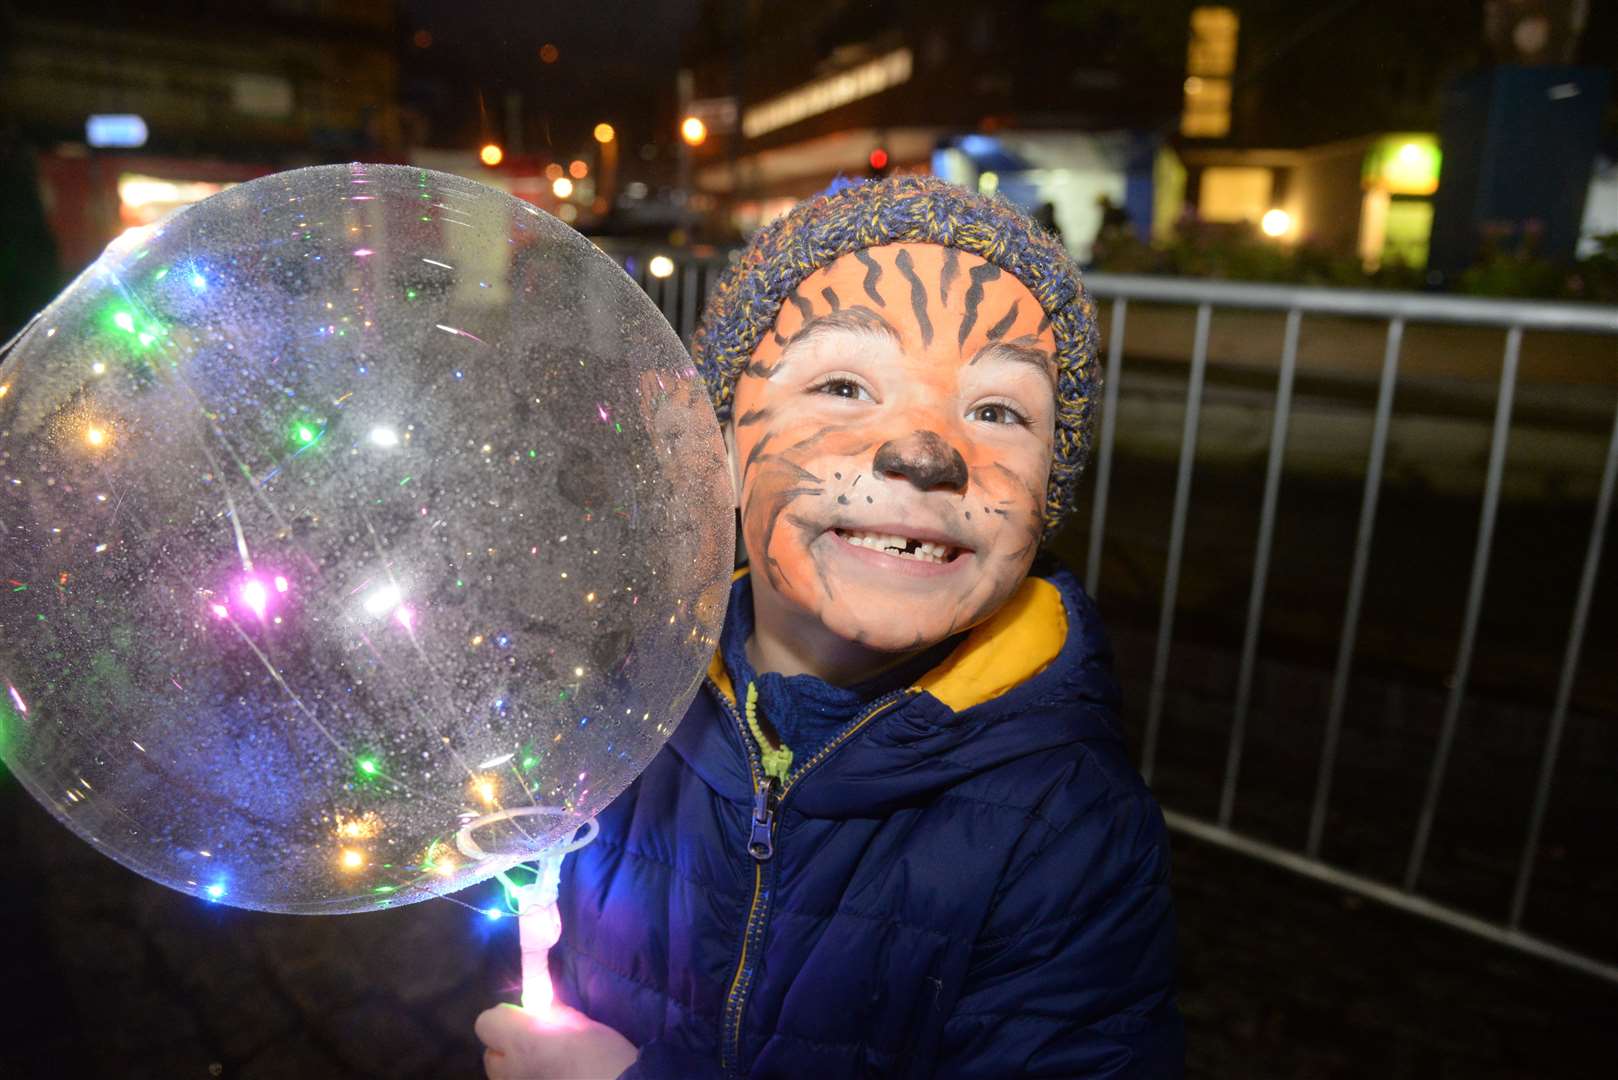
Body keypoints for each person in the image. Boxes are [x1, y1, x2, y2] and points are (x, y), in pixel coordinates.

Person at [476, 175, 1183, 1078]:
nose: (927, 452)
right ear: (715, 444)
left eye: (999, 411)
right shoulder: (616, 723)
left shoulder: (1072, 832)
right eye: (845, 384)